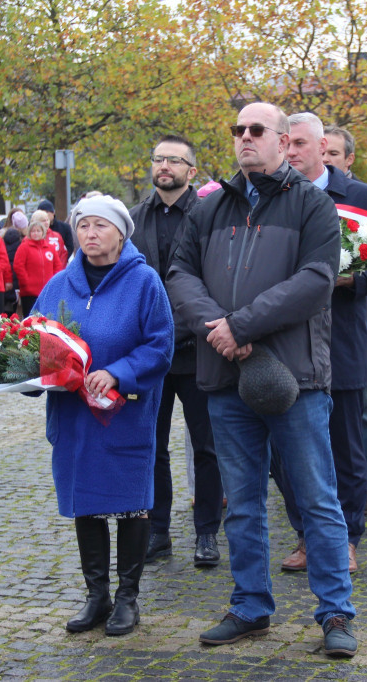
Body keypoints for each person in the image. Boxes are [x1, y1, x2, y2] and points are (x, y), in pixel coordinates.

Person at [167, 101, 357, 658]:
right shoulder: (208, 208)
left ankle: (336, 612)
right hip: (226, 377)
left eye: (257, 130)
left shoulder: (314, 206)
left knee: (318, 499)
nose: (245, 138)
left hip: (295, 378)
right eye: (237, 130)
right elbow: (179, 274)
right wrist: (220, 330)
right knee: (243, 501)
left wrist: (241, 325)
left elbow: (317, 281)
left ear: (283, 141)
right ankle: (251, 605)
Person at [33, 194, 172, 637]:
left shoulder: (144, 282)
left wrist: (118, 372)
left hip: (124, 414)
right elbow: (31, 338)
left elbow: (160, 345)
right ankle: (97, 596)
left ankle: (128, 598)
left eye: (100, 226)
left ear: (120, 233)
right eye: (84, 226)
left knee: (131, 502)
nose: (90, 234)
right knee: (87, 504)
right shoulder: (58, 284)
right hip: (74, 416)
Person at [278, 111, 367, 572]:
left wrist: (350, 281)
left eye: (300, 144)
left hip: (342, 336)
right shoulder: (272, 196)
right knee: (288, 447)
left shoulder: (359, 196)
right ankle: (307, 535)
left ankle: (344, 537)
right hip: (285, 339)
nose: (290, 152)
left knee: (344, 443)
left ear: (323, 146)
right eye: (285, 144)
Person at [128, 135, 225, 568]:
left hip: (198, 347)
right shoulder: (132, 219)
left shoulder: (209, 216)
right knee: (151, 445)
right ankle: (157, 530)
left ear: (192, 171)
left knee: (207, 446)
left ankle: (207, 533)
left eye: (174, 160)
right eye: (159, 159)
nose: (164, 165)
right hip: (149, 350)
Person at [13, 213, 63, 315]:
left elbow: (57, 266)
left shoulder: (50, 248)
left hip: (47, 290)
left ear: (43, 232)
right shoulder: (24, 247)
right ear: (29, 233)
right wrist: (26, 283)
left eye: (38, 231)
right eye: (33, 231)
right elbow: (18, 266)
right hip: (30, 292)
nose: (36, 233)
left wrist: (54, 281)